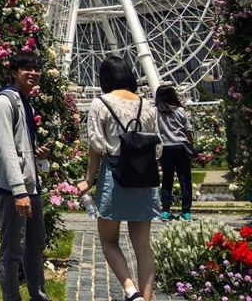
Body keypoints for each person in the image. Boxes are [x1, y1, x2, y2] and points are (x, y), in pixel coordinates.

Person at [77, 56, 161, 301]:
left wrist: (88, 180)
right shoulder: (147, 105)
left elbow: (95, 146)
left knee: (108, 240)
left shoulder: (100, 104)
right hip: (145, 178)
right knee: (143, 245)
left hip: (115, 176)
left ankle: (130, 289)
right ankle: (145, 298)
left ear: (104, 78)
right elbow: (157, 146)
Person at [0, 51, 51, 301]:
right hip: (12, 189)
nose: (33, 73)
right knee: (12, 252)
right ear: (14, 72)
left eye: (36, 68)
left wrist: (35, 154)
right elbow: (4, 148)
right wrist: (18, 190)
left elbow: (18, 146)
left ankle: (39, 296)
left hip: (30, 187)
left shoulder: (25, 101)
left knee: (35, 247)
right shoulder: (5, 102)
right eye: (27, 68)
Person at [155, 85, 194, 221]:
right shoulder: (180, 111)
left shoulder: (156, 112)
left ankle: (165, 210)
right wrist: (191, 145)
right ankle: (186, 211)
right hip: (181, 146)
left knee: (167, 179)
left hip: (165, 148)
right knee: (185, 179)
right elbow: (188, 130)